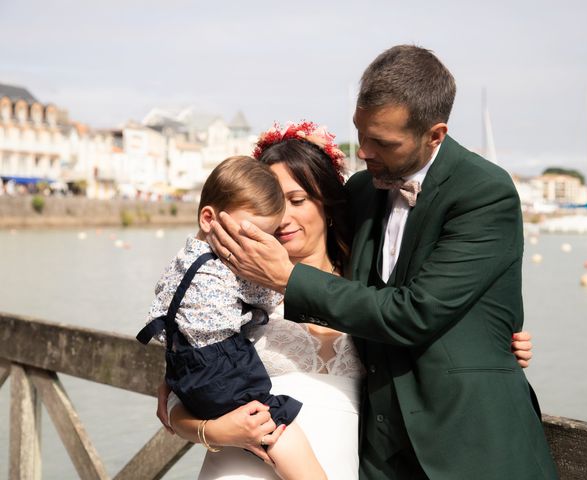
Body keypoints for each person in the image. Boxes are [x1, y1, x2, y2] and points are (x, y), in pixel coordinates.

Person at [208, 45, 558, 479]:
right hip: (377, 455)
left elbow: (417, 311)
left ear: (435, 134)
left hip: (470, 445)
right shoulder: (359, 191)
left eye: (382, 142)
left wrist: (287, 279)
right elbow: (324, 255)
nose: (365, 150)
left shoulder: (485, 192)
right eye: (361, 132)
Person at [159, 122, 536, 479]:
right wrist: (219, 431)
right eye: (270, 203)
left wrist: (493, 343)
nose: (283, 217)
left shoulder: (368, 289)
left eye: (296, 199)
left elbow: (422, 318)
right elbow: (176, 394)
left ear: (325, 202)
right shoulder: (226, 291)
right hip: (241, 468)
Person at [140, 155, 326, 480]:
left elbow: (163, 300)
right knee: (276, 424)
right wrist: (214, 432)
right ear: (210, 218)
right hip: (222, 369)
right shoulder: (232, 267)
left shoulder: (180, 261)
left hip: (186, 363)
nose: (259, 242)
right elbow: (267, 296)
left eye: (298, 199)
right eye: (251, 233)